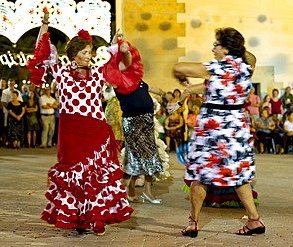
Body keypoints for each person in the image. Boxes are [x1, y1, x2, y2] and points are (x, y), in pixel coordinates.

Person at [27, 11, 133, 235]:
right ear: (74, 55)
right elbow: (40, 51)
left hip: (95, 131)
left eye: (90, 52)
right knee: (73, 176)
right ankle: (78, 217)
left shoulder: (98, 73)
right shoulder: (61, 72)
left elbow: (120, 64)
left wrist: (118, 44)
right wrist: (45, 25)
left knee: (96, 175)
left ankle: (98, 219)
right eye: (85, 52)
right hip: (71, 132)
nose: (89, 56)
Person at [171, 27, 265, 237]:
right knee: (239, 175)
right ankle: (254, 220)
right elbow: (248, 58)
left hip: (214, 127)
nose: (213, 49)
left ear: (225, 49)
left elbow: (179, 67)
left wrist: (182, 80)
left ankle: (193, 223)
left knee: (200, 174)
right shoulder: (246, 67)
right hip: (237, 125)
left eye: (216, 45)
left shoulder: (217, 67)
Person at [102, 30, 165, 204]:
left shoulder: (139, 80)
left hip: (146, 120)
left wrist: (166, 95)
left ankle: (147, 192)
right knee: (134, 158)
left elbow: (155, 89)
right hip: (132, 121)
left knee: (151, 156)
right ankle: (126, 191)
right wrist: (119, 48)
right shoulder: (117, 78)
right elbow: (122, 62)